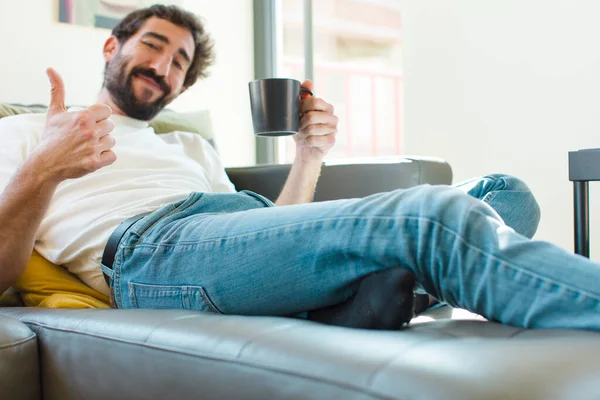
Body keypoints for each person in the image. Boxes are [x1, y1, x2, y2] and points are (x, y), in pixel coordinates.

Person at [1, 5, 598, 331]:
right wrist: (45, 170)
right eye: (153, 45)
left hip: (227, 237)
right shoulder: (27, 132)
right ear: (114, 47)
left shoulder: (191, 149)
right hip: (148, 252)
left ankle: (353, 303)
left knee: (503, 191)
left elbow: (264, 235)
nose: (163, 65)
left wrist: (308, 156)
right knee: (431, 219)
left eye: (180, 61)